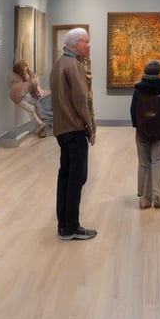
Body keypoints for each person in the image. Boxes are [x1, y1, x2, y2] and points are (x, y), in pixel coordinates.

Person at [49, 27, 97, 241]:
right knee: (77, 177)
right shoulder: (74, 66)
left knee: (66, 176)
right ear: (75, 43)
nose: (88, 46)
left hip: (61, 129)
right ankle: (71, 226)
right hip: (74, 129)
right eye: (85, 42)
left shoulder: (59, 64)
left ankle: (64, 226)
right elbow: (81, 100)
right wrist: (90, 128)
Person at [130, 60, 160, 210]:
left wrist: (139, 127)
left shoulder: (138, 88)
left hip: (142, 131)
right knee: (157, 161)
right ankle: (157, 196)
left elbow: (133, 110)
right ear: (159, 72)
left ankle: (144, 198)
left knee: (143, 163)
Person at [7, 60, 47, 138]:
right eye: (24, 68)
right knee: (32, 109)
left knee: (35, 109)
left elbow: (33, 85)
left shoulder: (29, 75)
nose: (26, 69)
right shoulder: (17, 78)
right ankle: (40, 126)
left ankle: (40, 128)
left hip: (30, 94)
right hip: (22, 96)